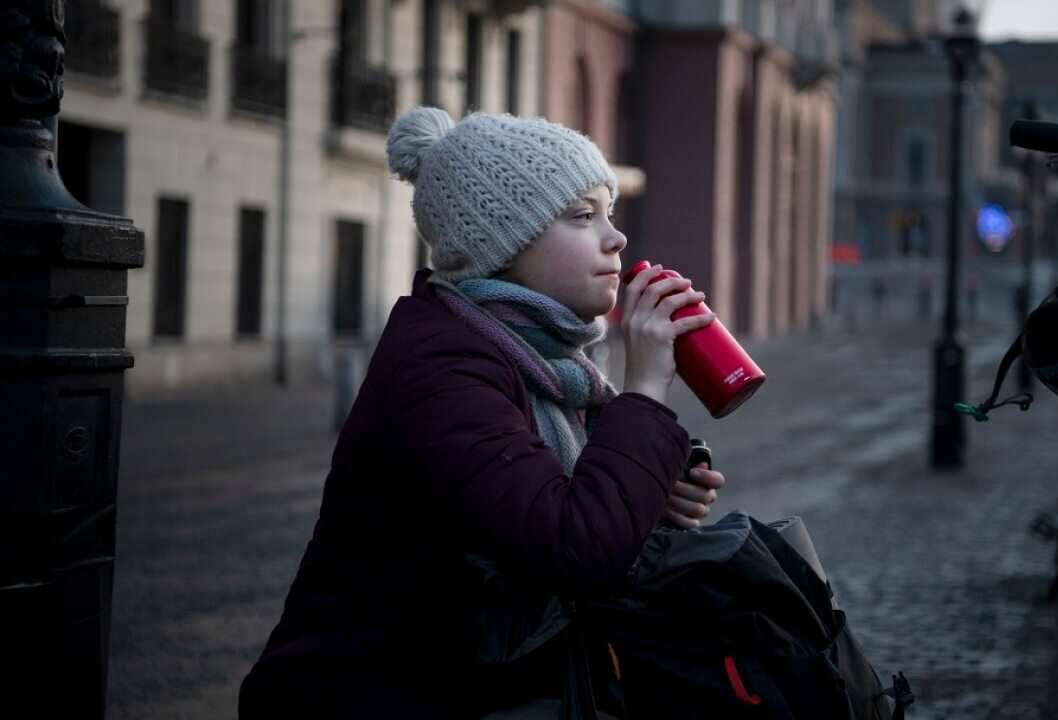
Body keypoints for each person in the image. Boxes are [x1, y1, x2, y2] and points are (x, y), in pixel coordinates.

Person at [238, 106, 728, 719]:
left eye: (609, 212)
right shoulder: (441, 367)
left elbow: (543, 511)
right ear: (503, 243)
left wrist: (650, 494)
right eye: (582, 216)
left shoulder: (545, 359)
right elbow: (579, 549)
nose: (615, 237)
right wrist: (647, 385)